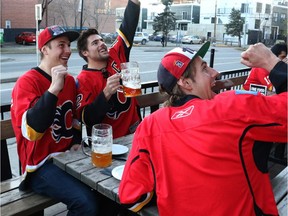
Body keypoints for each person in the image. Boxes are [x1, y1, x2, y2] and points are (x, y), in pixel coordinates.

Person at [119, 42, 287, 215]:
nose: (215, 72)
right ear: (185, 83)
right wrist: (270, 62)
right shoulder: (230, 107)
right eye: (205, 69)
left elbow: (131, 196)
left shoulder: (149, 125)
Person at [10, 25, 100, 215]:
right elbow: (31, 131)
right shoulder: (27, 82)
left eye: (68, 45)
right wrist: (52, 91)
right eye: (61, 45)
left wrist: (76, 141)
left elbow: (74, 120)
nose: (68, 50)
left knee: (108, 187)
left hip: (68, 158)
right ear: (44, 49)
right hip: (41, 167)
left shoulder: (69, 81)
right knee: (85, 202)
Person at [76, 0, 141, 139]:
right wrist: (105, 94)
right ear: (85, 52)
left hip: (136, 132)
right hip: (109, 144)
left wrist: (134, 3)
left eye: (101, 40)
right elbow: (87, 118)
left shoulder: (115, 53)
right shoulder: (83, 80)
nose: (102, 44)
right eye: (95, 43)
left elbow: (128, 26)